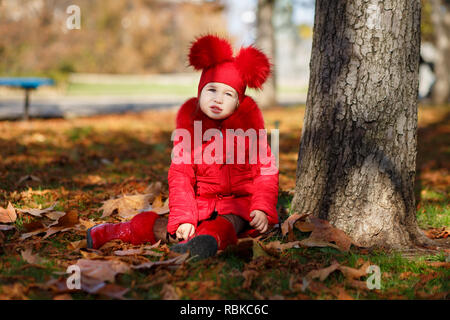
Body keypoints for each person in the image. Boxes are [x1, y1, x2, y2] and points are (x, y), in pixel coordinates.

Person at [87, 34, 279, 259]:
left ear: (238, 102)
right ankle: (121, 231)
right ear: (200, 93)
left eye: (228, 94)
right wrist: (184, 217)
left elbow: (266, 173)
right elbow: (180, 176)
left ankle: (207, 243)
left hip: (237, 205)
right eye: (212, 90)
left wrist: (262, 207)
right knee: (170, 226)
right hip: (199, 205)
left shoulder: (250, 133)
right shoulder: (190, 130)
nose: (218, 99)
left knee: (230, 222)